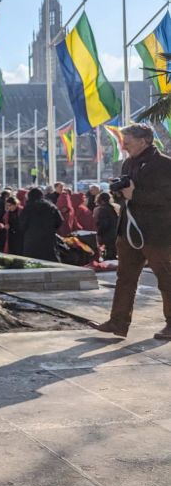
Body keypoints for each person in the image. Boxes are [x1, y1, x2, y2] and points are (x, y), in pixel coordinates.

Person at [90, 124, 171, 339]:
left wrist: (135, 194)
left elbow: (166, 197)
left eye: (127, 141)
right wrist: (118, 192)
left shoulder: (165, 164)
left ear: (143, 140)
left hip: (157, 233)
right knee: (124, 278)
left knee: (166, 279)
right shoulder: (127, 163)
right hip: (128, 231)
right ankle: (118, 322)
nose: (123, 145)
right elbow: (125, 196)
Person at [20, 187, 64, 262]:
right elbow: (60, 220)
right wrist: (51, 228)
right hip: (48, 238)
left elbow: (22, 224)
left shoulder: (28, 207)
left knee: (32, 262)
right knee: (49, 261)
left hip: (31, 239)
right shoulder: (51, 206)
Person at [93, 192, 119, 261]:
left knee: (109, 255)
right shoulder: (112, 208)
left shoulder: (102, 209)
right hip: (114, 233)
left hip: (107, 234)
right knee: (113, 252)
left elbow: (104, 224)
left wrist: (99, 233)